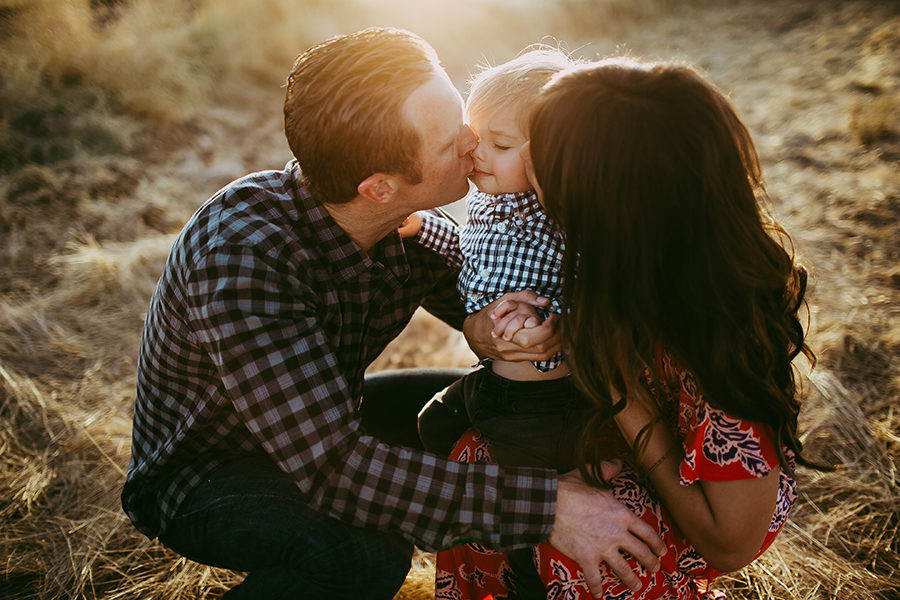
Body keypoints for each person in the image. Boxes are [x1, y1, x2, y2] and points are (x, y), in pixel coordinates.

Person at [121, 29, 665, 600]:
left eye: (461, 113)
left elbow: (489, 296)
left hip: (325, 419)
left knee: (490, 415)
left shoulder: (406, 227)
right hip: (208, 473)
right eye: (447, 138)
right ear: (379, 187)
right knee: (363, 552)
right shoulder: (243, 260)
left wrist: (505, 328)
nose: (471, 138)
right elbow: (336, 469)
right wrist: (549, 505)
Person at [436, 57, 823, 599]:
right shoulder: (605, 253)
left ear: (606, 202)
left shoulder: (714, 330)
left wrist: (619, 384)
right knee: (463, 448)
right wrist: (480, 330)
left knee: (581, 542)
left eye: (547, 169)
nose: (536, 189)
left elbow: (731, 544)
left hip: (657, 493)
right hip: (579, 428)